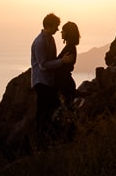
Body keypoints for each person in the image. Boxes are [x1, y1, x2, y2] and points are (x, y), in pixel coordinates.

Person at [30, 13, 74, 142]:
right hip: (41, 82)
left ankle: (49, 137)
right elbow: (43, 65)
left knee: (51, 110)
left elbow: (52, 60)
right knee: (43, 112)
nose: (58, 29)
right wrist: (63, 61)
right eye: (56, 26)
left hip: (49, 81)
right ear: (49, 25)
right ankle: (40, 139)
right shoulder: (40, 42)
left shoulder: (50, 39)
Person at [57, 21, 81, 106]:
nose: (61, 32)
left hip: (65, 84)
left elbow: (63, 67)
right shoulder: (70, 47)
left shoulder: (70, 48)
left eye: (63, 30)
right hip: (66, 82)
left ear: (68, 33)